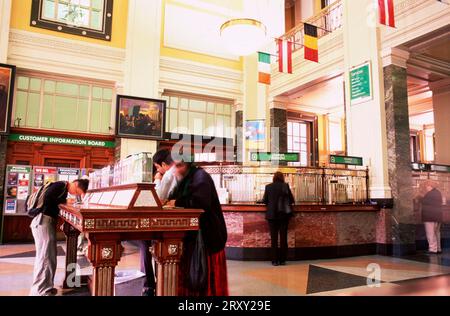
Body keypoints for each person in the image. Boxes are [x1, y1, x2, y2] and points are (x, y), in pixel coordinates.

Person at [166, 156, 228, 296]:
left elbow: (200, 202)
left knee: (203, 280)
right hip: (194, 239)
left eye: (179, 166)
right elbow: (172, 196)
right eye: (176, 166)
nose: (177, 169)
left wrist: (176, 203)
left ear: (187, 165)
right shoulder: (186, 178)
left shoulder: (201, 176)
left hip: (207, 240)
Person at [29, 179, 89, 296]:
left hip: (43, 221)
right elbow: (47, 199)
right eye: (77, 192)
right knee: (46, 257)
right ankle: (41, 292)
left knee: (47, 257)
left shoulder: (62, 188)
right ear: (75, 184)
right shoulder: (60, 186)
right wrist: (63, 202)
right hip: (43, 221)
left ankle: (45, 288)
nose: (75, 194)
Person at [139, 149, 179, 296]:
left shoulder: (169, 174)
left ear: (163, 164)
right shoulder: (180, 170)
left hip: (171, 223)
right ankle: (151, 283)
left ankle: (149, 285)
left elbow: (158, 198)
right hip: (173, 220)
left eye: (157, 167)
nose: (158, 171)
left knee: (144, 240)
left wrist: (157, 179)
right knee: (146, 241)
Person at [262, 172, 294, 266]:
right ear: (282, 178)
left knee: (274, 238)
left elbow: (265, 201)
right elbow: (291, 200)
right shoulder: (285, 186)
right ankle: (282, 260)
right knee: (283, 238)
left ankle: (274, 260)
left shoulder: (268, 187)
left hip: (272, 216)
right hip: (283, 215)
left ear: (274, 177)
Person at [421, 180, 443, 255]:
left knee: (430, 233)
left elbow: (424, 202)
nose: (425, 188)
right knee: (437, 233)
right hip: (437, 216)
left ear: (429, 186)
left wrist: (420, 198)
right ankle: (438, 248)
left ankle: (432, 249)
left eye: (426, 186)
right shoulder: (438, 192)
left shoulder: (430, 194)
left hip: (429, 216)